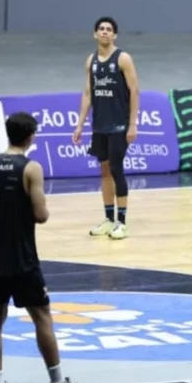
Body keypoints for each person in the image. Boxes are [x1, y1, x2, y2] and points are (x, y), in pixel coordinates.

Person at [0, 111, 96, 383]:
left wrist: (1, 213)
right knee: (42, 317)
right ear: (30, 136)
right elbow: (41, 214)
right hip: (22, 258)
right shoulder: (31, 169)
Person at [73, 16, 140, 241]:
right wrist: (80, 124)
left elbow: (134, 92)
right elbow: (87, 94)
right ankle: (109, 219)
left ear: (115, 35)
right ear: (95, 34)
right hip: (99, 126)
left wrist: (132, 124)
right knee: (104, 171)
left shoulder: (123, 59)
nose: (104, 32)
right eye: (101, 29)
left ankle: (122, 223)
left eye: (109, 29)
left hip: (119, 125)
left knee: (116, 169)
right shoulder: (90, 61)